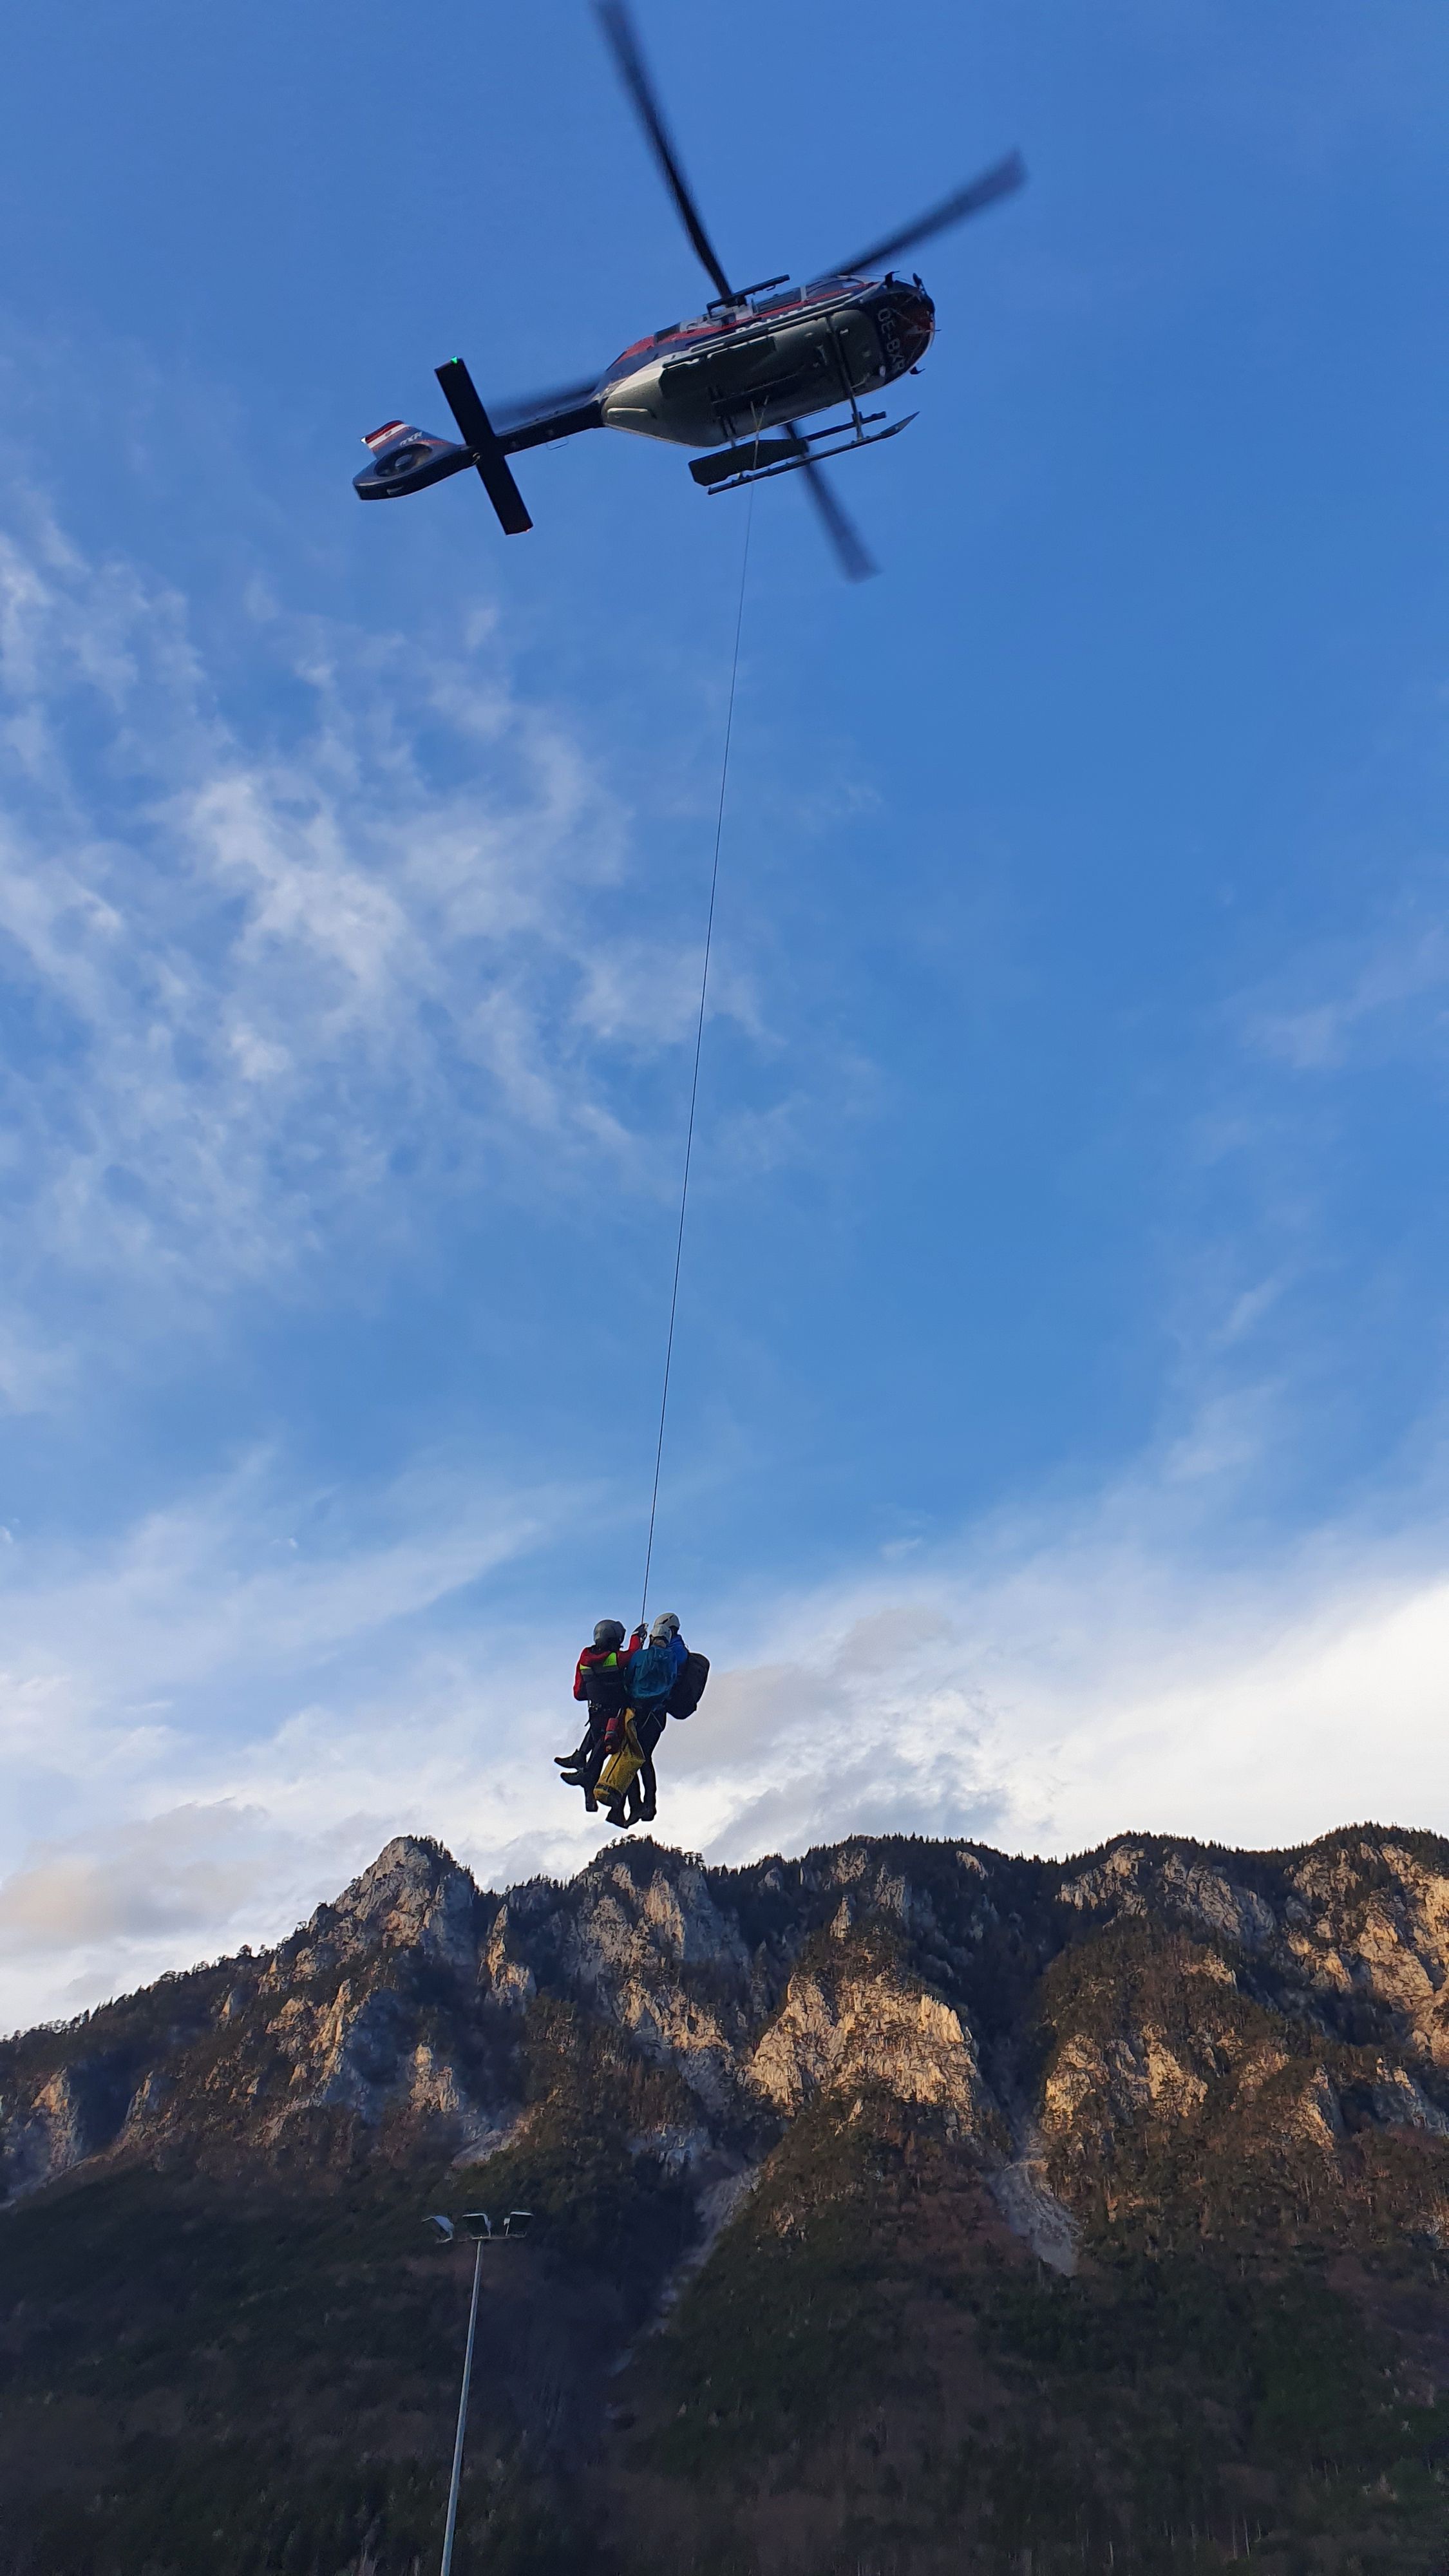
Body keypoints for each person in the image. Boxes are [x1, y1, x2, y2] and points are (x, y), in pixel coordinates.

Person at [602, 1611, 687, 1829]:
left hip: (636, 1713)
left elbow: (628, 1678)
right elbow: (670, 1684)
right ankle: (643, 1804)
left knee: (630, 1756)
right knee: (643, 1758)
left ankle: (629, 1803)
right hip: (656, 1717)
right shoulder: (673, 1658)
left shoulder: (640, 1657)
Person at [556, 1620, 643, 1812]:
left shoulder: (584, 1658)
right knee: (607, 1751)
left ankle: (581, 1760)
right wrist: (637, 1637)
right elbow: (633, 1655)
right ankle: (589, 1778)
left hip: (595, 1714)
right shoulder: (616, 1659)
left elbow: (579, 1693)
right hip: (613, 1717)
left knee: (596, 1744)